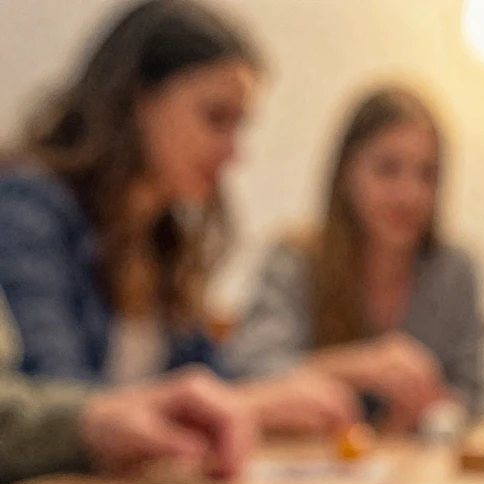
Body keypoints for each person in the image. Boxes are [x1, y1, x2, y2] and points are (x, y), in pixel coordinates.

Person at [0, 0, 356, 437]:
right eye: (216, 118)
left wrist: (277, 394)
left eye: (240, 125)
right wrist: (251, 404)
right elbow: (57, 401)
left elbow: (211, 377)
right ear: (139, 101)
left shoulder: (164, 238)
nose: (233, 152)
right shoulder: (27, 209)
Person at [225, 86, 484, 432]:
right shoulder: (296, 260)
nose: (409, 194)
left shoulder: (455, 271)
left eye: (427, 174)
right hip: (305, 454)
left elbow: (472, 395)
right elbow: (248, 370)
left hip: (413, 455)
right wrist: (362, 367)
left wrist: (435, 410)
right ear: (347, 172)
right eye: (388, 169)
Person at [1, 289, 255, 484]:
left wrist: (97, 418)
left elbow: (209, 373)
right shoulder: (36, 239)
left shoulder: (171, 248)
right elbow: (54, 373)